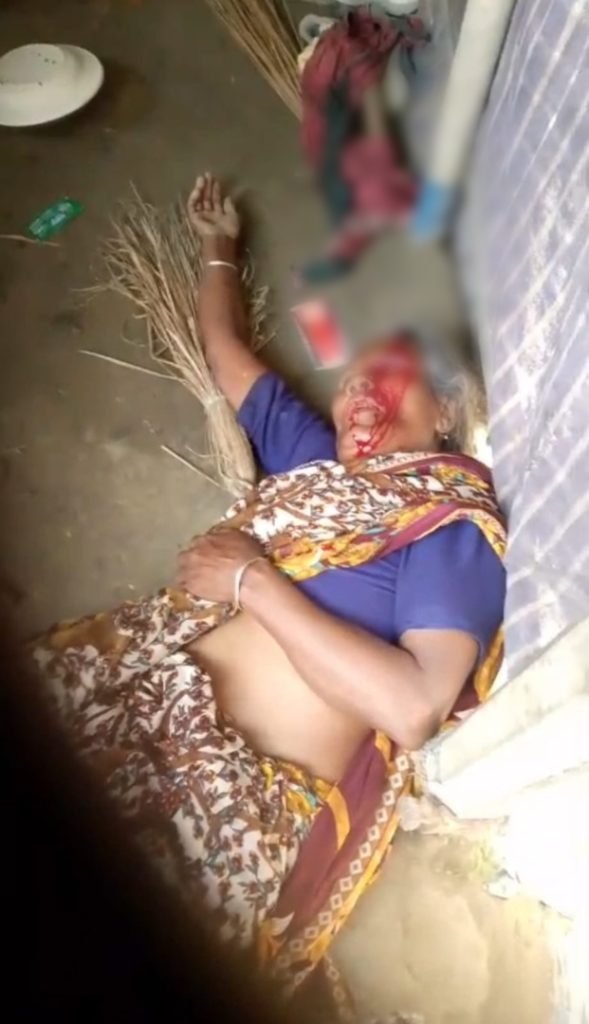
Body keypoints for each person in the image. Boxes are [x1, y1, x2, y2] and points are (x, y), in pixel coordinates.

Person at [32, 174, 506, 1003]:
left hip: (228, 797)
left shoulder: (445, 527)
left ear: (444, 414)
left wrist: (251, 580)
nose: (361, 392)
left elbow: (411, 708)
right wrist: (218, 244)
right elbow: (226, 356)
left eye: (391, 377)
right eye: (353, 379)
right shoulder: (316, 467)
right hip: (143, 697)